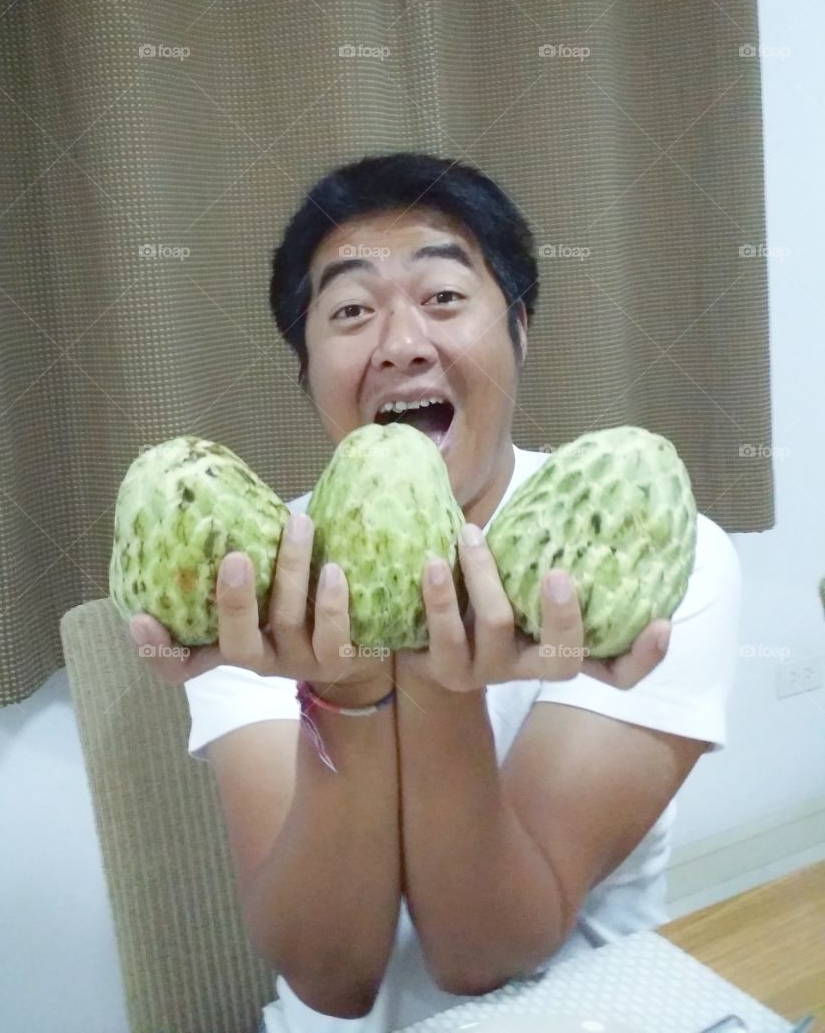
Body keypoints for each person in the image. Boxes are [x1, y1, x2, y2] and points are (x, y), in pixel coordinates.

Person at [126, 152, 742, 1033]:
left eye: (444, 298)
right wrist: (344, 693)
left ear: (520, 328)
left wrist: (438, 688)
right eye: (349, 311)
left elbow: (483, 955)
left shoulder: (645, 551)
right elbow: (332, 976)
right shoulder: (261, 572)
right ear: (305, 367)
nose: (403, 342)